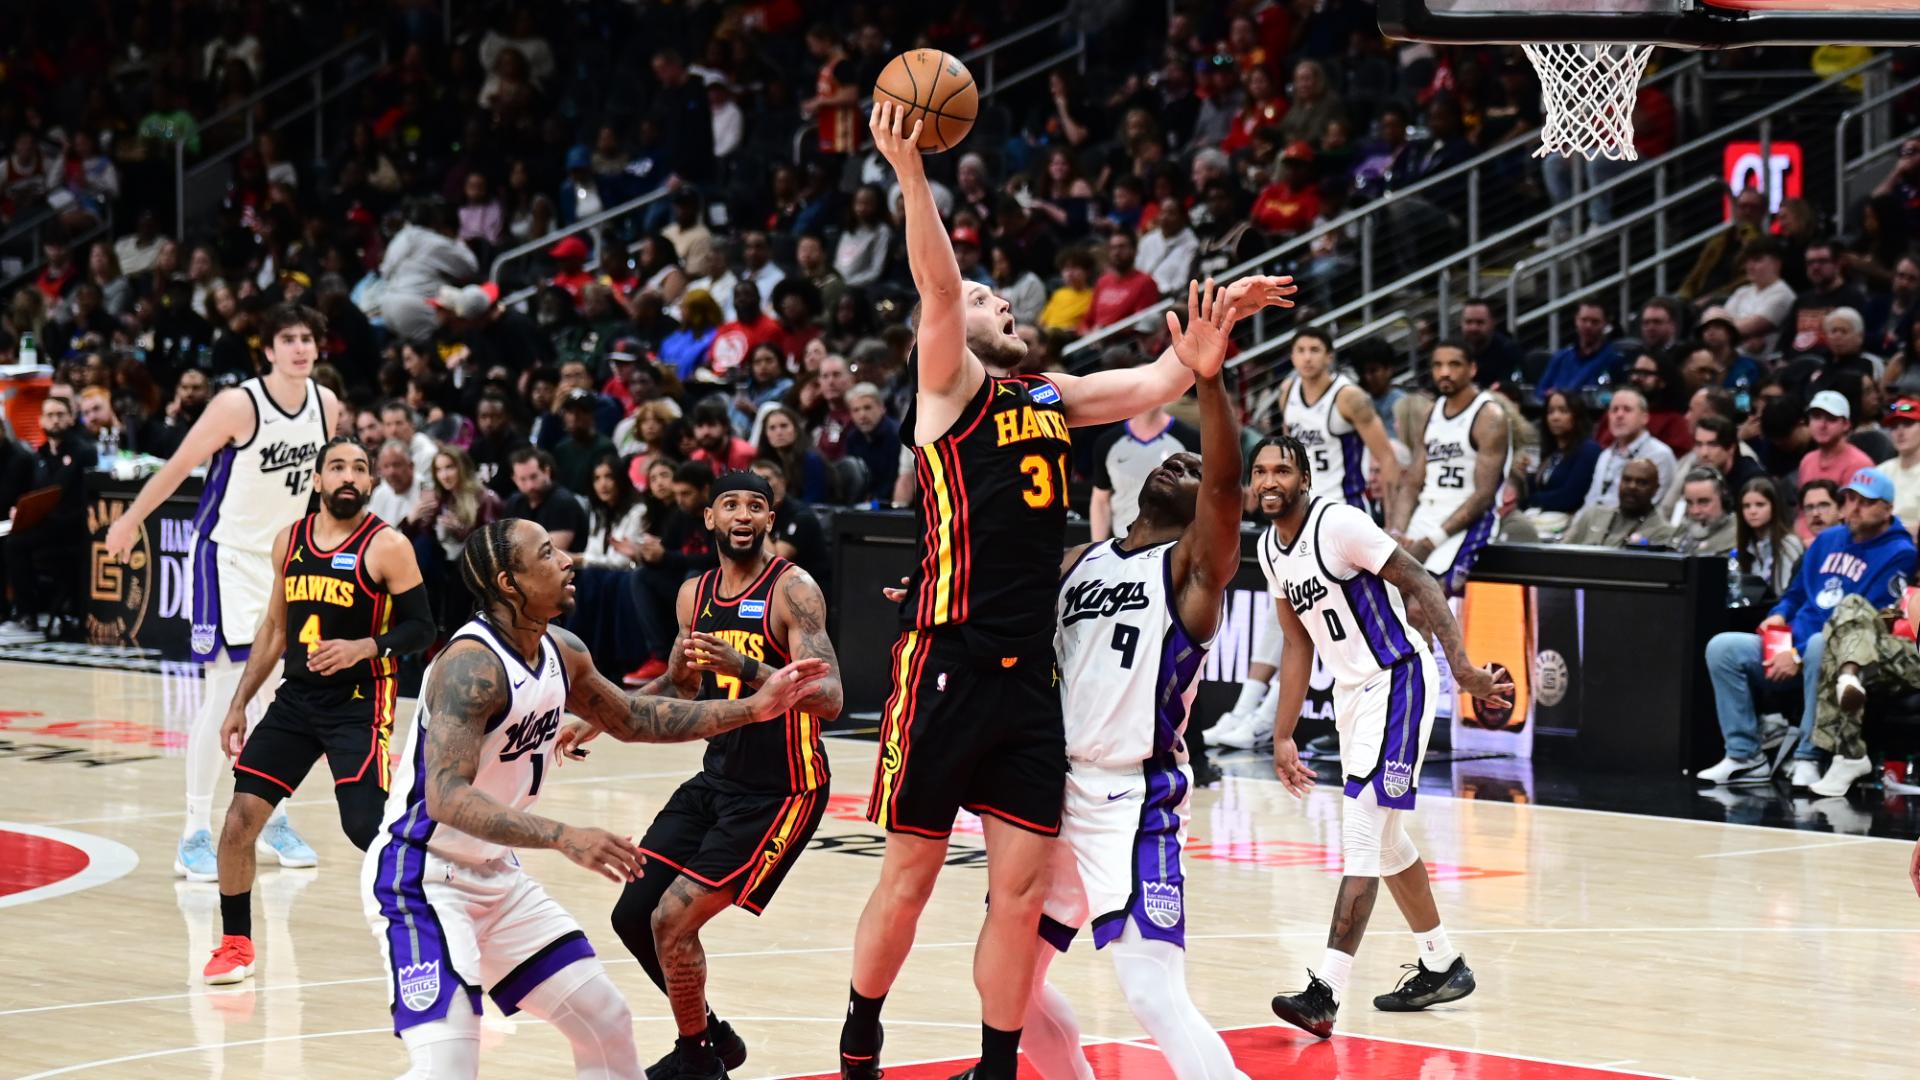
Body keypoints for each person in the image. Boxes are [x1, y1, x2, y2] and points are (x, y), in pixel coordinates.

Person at [840, 101, 1294, 1080]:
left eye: (1004, 300)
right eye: (997, 300)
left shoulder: (1048, 397)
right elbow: (940, 288)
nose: (1005, 307)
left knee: (1016, 902)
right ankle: (859, 1041)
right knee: (913, 879)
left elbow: (1155, 380)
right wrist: (912, 174)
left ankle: (1003, 1067)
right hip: (948, 662)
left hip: (1029, 691)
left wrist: (1216, 347)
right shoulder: (949, 386)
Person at [362, 519, 826, 1079]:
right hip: (422, 877)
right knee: (449, 1063)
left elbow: (632, 718)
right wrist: (564, 836)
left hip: (495, 877)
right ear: (510, 583)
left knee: (605, 1020)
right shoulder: (470, 666)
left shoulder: (563, 649)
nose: (567, 561)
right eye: (547, 552)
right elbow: (445, 797)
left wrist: (752, 709)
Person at [1021, 283, 1250, 1080]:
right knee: (1007, 981)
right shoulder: (1083, 560)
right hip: (1054, 790)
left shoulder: (1191, 570)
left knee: (1151, 994)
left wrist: (1209, 381)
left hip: (1133, 797)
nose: (1180, 459)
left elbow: (1224, 490)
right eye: (1172, 454)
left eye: (1190, 463)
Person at [562, 471, 843, 1080]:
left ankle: (697, 1062)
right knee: (633, 915)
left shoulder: (793, 590)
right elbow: (682, 684)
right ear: (710, 519)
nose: (743, 515)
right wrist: (606, 717)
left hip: (783, 791)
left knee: (672, 919)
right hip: (716, 781)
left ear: (770, 520)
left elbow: (831, 698)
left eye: (756, 506)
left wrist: (746, 664)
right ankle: (713, 1040)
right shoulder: (695, 594)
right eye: (731, 505)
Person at [1253, 434, 1511, 1039]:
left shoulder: (1338, 524)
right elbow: (1296, 643)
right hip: (1351, 696)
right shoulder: (1269, 548)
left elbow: (1420, 581)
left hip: (1398, 680)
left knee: (1363, 833)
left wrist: (1464, 668)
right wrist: (1282, 732)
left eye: (1281, 470)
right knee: (1389, 842)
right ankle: (1443, 963)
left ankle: (1325, 993)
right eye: (1260, 471)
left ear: (1305, 478)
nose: (1269, 481)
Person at [103, 303, 343, 882]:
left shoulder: (326, 405)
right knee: (227, 692)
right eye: (288, 338)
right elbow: (180, 463)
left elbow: (317, 489)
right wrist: (130, 519)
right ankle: (194, 831)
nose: (300, 348)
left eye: (308, 338)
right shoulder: (239, 404)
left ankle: (272, 815)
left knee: (285, 694)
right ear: (268, 349)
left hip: (282, 561)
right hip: (225, 558)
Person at [202, 439, 433, 985]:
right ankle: (236, 944)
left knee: (364, 827)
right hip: (297, 699)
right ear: (316, 480)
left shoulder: (388, 545)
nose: (348, 477)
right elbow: (275, 629)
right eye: (337, 467)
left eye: (359, 468)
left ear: (370, 483)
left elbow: (423, 628)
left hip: (359, 701)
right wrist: (238, 704)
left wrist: (364, 647)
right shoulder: (290, 540)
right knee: (239, 821)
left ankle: (441, 916)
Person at [1701, 468, 1916, 787]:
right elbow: (1797, 592)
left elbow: (1862, 622)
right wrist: (1779, 615)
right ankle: (1745, 755)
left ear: (1887, 508)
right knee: (1723, 647)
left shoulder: (1901, 553)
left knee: (1820, 644)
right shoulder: (1827, 539)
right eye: (1849, 499)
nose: (1853, 507)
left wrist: (1797, 656)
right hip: (1791, 644)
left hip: (1837, 652)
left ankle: (1809, 755)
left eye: (1865, 502)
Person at [1393, 343, 1511, 597]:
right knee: (1390, 595)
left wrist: (1431, 541)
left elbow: (1483, 495)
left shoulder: (1489, 416)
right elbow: (1413, 481)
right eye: (1438, 365)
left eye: (1454, 365)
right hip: (1428, 512)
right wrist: (1396, 530)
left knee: (1426, 604)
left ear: (1472, 369)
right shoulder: (1431, 413)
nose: (1444, 372)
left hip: (1468, 520)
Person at [1276, 329, 1401, 517]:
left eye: (1314, 350)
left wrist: (1393, 521)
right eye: (1301, 350)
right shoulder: (1287, 392)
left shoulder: (1349, 397)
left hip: (1345, 506)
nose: (1307, 357)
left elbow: (1387, 457)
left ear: (1329, 357)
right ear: (1292, 357)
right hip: (1303, 506)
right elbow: (1289, 455)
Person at [1809, 588, 1920, 797]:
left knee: (1844, 644)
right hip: (1898, 650)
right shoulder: (1907, 585)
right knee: (1853, 609)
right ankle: (1849, 676)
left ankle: (1850, 754)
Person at [1088, 370, 1201, 542]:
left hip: (1173, 549)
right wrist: (1097, 547)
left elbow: (1202, 498)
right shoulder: (1107, 441)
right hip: (1122, 543)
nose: (1146, 390)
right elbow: (1101, 500)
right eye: (1140, 383)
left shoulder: (1190, 438)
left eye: (1152, 383)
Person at [1519, 390, 1601, 537]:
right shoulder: (1551, 453)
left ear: (1576, 415)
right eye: (1550, 412)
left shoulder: (1589, 450)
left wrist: (1532, 500)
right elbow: (1535, 489)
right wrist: (1526, 475)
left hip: (1570, 525)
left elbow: (1569, 496)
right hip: (1540, 518)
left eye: (1563, 411)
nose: (1555, 417)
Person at [1582, 387, 1677, 509]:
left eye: (1627, 409)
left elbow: (1653, 507)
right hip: (1593, 523)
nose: (1619, 415)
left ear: (1644, 418)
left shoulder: (1660, 455)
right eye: (1614, 410)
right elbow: (1590, 501)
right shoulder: (1605, 455)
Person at [1561, 460, 1673, 548]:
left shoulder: (1662, 531)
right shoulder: (1593, 515)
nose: (1632, 487)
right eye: (1627, 480)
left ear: (1655, 489)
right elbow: (1560, 553)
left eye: (1642, 482)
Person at [749, 458, 829, 577]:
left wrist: (757, 517)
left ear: (782, 482)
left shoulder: (801, 516)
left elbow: (774, 564)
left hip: (807, 590)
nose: (761, 485)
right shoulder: (753, 514)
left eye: (766, 479)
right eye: (755, 480)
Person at [504, 448, 589, 553]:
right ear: (514, 480)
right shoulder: (514, 503)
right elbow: (505, 545)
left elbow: (550, 553)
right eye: (523, 479)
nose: (530, 486)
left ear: (547, 472)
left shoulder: (563, 502)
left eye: (534, 477)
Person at [1735, 477, 1804, 603]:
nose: (1752, 511)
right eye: (1746, 506)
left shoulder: (1788, 544)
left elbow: (1790, 593)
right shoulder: (1746, 547)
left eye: (1760, 505)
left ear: (1774, 506)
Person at [1536, 300, 1620, 396]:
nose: (1588, 326)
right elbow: (1540, 392)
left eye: (1595, 322)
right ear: (1576, 320)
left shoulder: (1613, 360)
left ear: (1605, 323)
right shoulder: (1560, 357)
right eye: (1584, 320)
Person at [578, 455, 649, 569]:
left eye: (609, 476)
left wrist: (582, 559)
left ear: (620, 479)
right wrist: (585, 559)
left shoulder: (638, 511)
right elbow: (592, 551)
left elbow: (623, 561)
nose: (603, 484)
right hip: (599, 574)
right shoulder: (598, 511)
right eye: (597, 478)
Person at [1799, 390, 1874, 492]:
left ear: (1846, 424)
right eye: (1816, 417)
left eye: (1831, 418)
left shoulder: (1860, 465)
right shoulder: (1807, 461)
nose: (1822, 425)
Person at [1673, 467, 1738, 556]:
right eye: (1689, 503)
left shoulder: (1738, 538)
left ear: (1723, 500)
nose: (1695, 511)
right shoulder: (1680, 534)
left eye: (1703, 502)